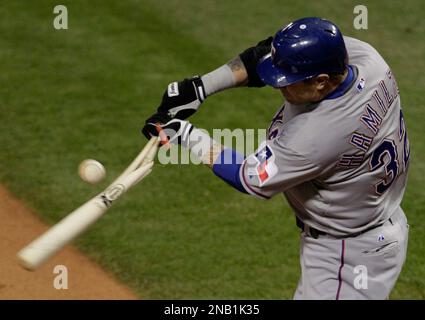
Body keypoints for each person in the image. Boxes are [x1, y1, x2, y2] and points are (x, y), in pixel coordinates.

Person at [142, 17, 410, 300]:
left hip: (349, 255)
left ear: (320, 82)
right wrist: (199, 87)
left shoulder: (314, 137)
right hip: (368, 228)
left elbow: (248, 177)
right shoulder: (366, 61)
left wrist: (183, 134)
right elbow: (268, 53)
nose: (277, 87)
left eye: (288, 81)